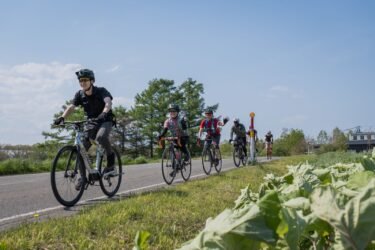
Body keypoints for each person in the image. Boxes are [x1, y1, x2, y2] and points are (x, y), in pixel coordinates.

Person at [54, 69, 116, 181]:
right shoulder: (79, 94)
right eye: (80, 81)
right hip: (91, 122)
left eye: (85, 80)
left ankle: (111, 163)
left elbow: (108, 102)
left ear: (92, 81)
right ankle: (83, 178)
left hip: (105, 120)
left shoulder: (101, 91)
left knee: (101, 137)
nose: (82, 83)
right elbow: (71, 107)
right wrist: (62, 117)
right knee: (81, 150)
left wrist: (104, 112)